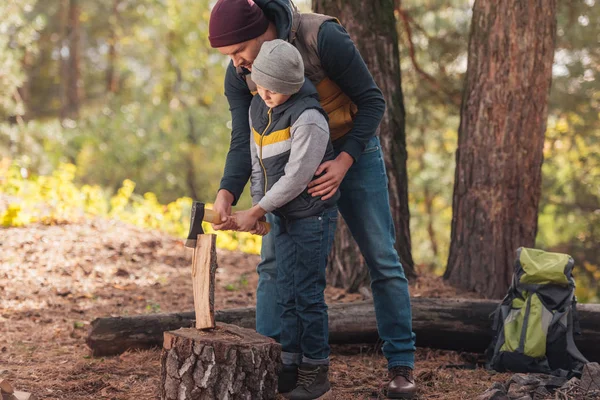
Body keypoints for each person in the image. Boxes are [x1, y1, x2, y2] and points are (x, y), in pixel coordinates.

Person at [208, 0, 417, 398]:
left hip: (349, 154)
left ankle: (401, 365)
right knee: (271, 266)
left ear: (261, 31)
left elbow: (373, 101)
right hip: (289, 171)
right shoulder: (241, 74)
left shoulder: (321, 36)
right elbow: (243, 138)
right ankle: (271, 361)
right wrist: (226, 191)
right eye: (228, 56)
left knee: (381, 258)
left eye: (237, 52)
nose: (235, 63)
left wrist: (344, 161)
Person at [231, 39, 338, 400]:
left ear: (293, 86)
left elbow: (295, 177)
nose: (268, 94)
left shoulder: (309, 118)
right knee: (285, 292)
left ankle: (316, 370)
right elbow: (258, 164)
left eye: (277, 89)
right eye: (263, 85)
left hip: (310, 217)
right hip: (281, 215)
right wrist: (258, 206)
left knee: (307, 293)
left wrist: (259, 211)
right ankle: (289, 364)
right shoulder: (257, 110)